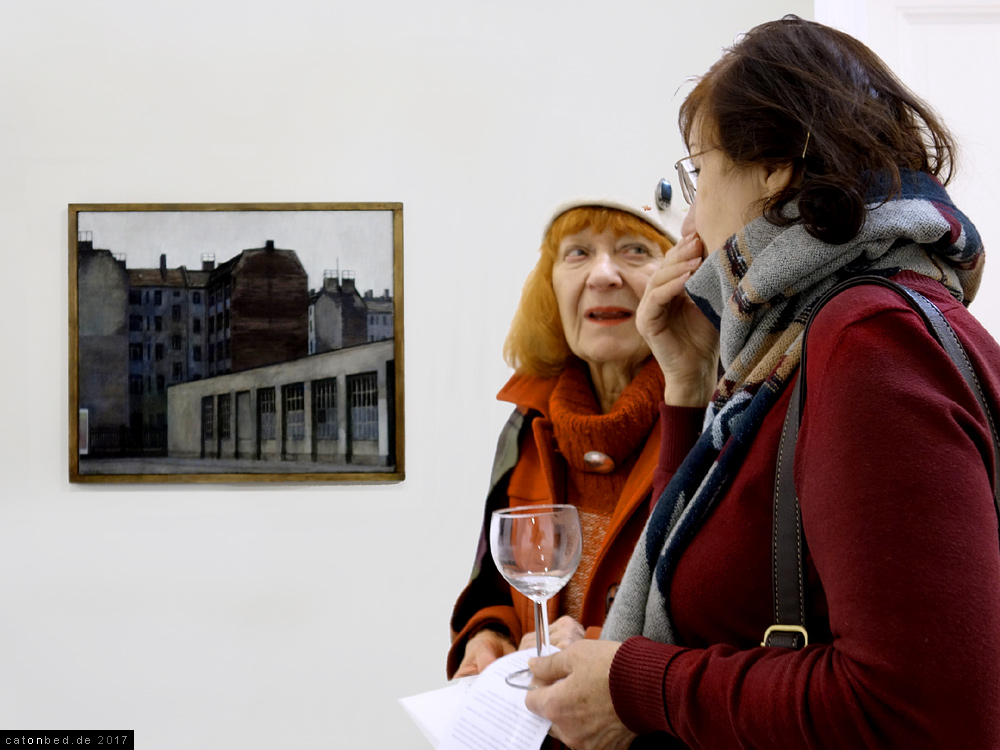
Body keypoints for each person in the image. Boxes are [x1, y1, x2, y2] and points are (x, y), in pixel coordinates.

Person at [524, 15, 1000, 749]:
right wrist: (686, 382)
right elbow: (708, 591)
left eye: (698, 171)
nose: (690, 215)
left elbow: (920, 711)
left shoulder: (867, 339)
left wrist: (636, 687)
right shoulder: (801, 342)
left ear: (774, 166)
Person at [447, 195, 694, 681]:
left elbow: (730, 618)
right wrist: (488, 635)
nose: (603, 275)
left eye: (635, 250)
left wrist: (608, 657)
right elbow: (493, 586)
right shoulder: (526, 422)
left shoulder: (711, 418)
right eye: (577, 252)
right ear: (550, 287)